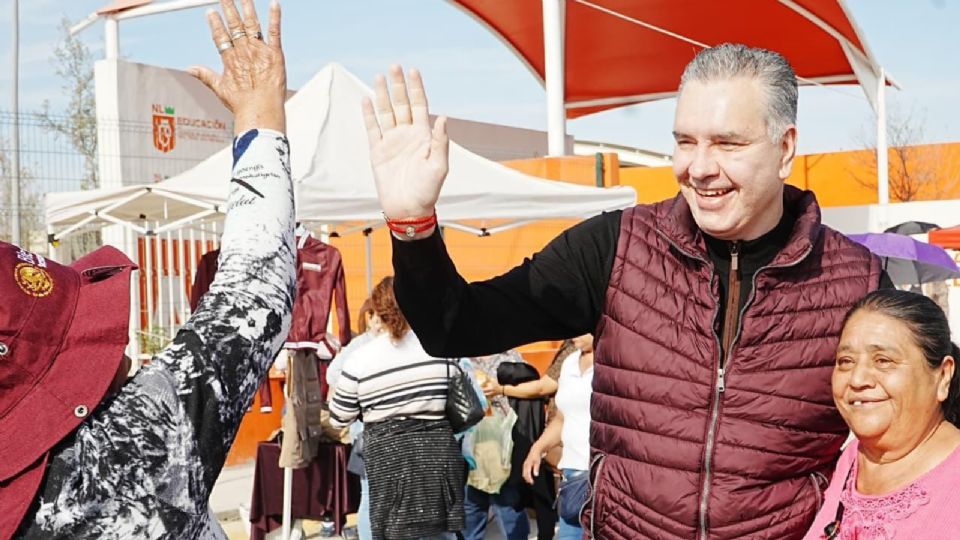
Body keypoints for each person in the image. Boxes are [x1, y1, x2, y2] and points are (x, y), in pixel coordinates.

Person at [363, 43, 892, 538]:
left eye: (728, 143)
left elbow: (921, 434)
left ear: (785, 148)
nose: (700, 167)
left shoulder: (854, 279)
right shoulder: (615, 247)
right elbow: (454, 324)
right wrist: (413, 224)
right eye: (685, 141)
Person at [0, 1, 294, 538]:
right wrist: (259, 114)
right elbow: (255, 288)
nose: (124, 345)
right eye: (85, 335)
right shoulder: (128, 457)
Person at [804, 290, 960, 539]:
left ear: (942, 376)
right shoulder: (847, 461)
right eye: (845, 361)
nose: (857, 379)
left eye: (883, 361)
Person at [329, 277, 465, 540]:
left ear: (376, 311)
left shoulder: (360, 359)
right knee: (439, 533)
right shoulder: (440, 352)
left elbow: (338, 418)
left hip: (387, 460)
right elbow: (465, 411)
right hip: (436, 458)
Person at [521, 334, 594, 540]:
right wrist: (537, 448)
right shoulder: (569, 362)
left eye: (581, 329)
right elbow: (562, 418)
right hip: (572, 477)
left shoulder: (614, 363)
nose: (573, 335)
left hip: (602, 477)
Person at [462, 350, 532, 540]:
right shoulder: (460, 359)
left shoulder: (510, 357)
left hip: (503, 448)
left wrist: (500, 391)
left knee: (509, 510)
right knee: (471, 514)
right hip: (469, 448)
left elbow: (532, 387)